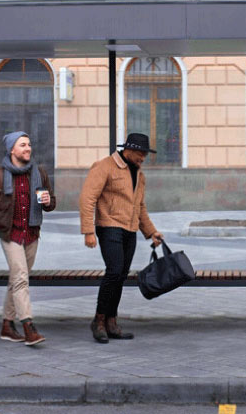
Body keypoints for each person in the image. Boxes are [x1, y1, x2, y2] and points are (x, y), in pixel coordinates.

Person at [79, 133, 164, 344]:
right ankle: (98, 320)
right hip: (109, 226)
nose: (143, 158)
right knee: (114, 271)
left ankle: (111, 321)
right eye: (141, 153)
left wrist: (151, 232)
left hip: (130, 229)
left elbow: (140, 206)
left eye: (145, 154)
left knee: (121, 275)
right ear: (129, 150)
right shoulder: (105, 166)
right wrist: (88, 231)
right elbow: (87, 198)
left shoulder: (139, 174)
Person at [0, 131, 55, 346]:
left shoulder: (39, 173)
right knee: (20, 278)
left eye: (29, 144)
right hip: (9, 233)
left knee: (17, 279)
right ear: (12, 149)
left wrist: (47, 201)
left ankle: (7, 325)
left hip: (32, 233)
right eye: (22, 145)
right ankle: (28, 326)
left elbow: (51, 203)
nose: (28, 148)